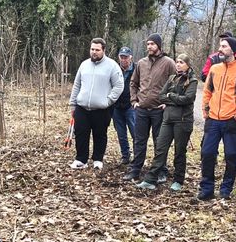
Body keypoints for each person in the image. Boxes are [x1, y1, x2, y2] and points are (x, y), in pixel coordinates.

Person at [198, 37, 236, 200]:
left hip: (232, 120)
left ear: (233, 50)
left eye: (224, 46)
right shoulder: (214, 69)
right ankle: (207, 188)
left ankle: (226, 189)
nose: (220, 49)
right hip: (213, 120)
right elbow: (207, 92)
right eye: (220, 46)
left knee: (231, 156)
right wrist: (206, 111)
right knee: (207, 154)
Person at [136, 54, 196, 192]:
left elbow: (187, 99)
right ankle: (150, 179)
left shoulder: (192, 81)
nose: (178, 64)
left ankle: (178, 180)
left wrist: (171, 96)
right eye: (177, 62)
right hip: (167, 119)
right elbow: (161, 96)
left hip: (183, 120)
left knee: (179, 152)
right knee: (160, 149)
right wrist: (173, 98)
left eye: (181, 62)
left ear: (188, 65)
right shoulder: (172, 78)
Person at [125, 34, 176, 181]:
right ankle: (135, 170)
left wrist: (168, 102)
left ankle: (161, 171)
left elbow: (176, 84)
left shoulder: (168, 63)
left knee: (160, 142)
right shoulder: (141, 63)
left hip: (159, 110)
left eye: (152, 44)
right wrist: (134, 100)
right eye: (148, 44)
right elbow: (133, 83)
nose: (149, 47)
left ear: (159, 45)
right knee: (139, 141)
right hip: (141, 109)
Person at [68, 38, 124, 169]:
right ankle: (81, 160)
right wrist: (73, 103)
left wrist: (108, 101)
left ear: (103, 50)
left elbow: (119, 86)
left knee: (100, 134)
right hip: (82, 107)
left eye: (97, 50)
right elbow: (77, 85)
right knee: (81, 133)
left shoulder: (112, 66)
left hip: (101, 109)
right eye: (92, 49)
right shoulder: (84, 65)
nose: (94, 52)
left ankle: (98, 160)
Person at [112, 47, 136, 165]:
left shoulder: (136, 69)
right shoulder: (114, 69)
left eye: (125, 57)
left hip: (131, 106)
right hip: (116, 106)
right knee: (121, 134)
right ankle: (125, 156)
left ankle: (138, 157)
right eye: (121, 57)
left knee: (135, 133)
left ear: (130, 57)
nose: (123, 59)